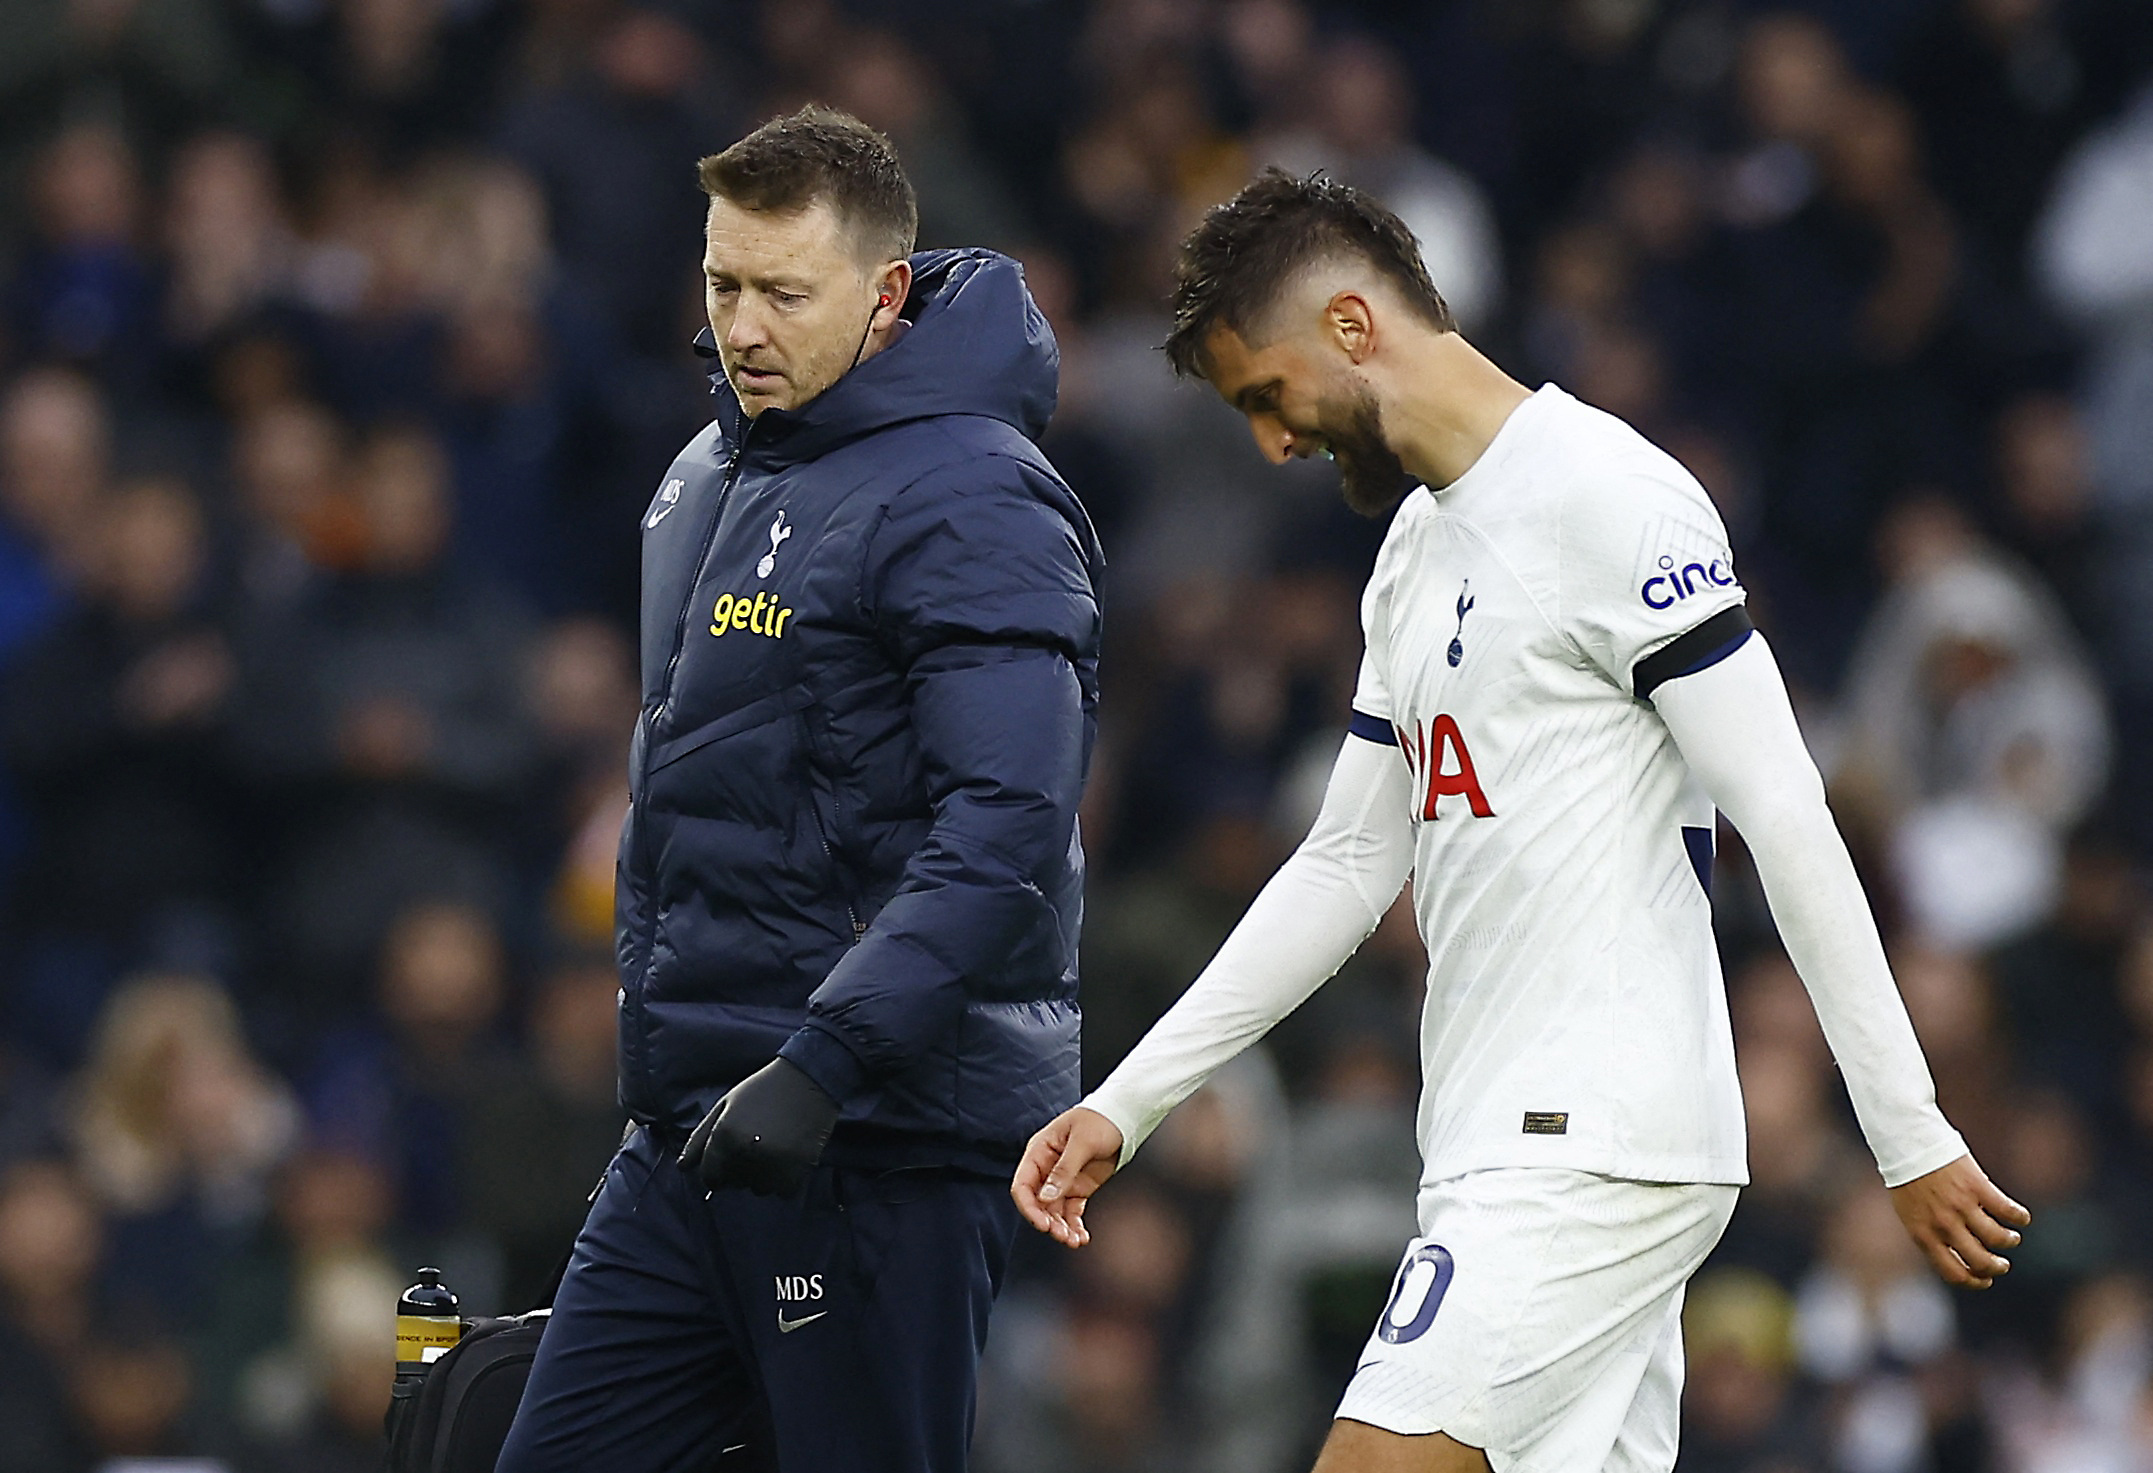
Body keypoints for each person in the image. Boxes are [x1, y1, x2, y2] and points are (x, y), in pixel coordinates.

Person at [1012, 170, 2025, 1473]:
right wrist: (1129, 1100)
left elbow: (1782, 808)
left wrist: (1907, 1129)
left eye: (1267, 396)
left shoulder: (1611, 495)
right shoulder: (1412, 556)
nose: (1274, 443)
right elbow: (1344, 862)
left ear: (1351, 326)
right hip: (1491, 1135)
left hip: (1587, 1138)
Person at [498, 106, 1102, 1473]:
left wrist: (821, 1067)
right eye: (722, 285)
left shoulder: (976, 499)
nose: (744, 327)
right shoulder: (708, 472)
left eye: (785, 291)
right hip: (694, 1134)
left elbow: (1003, 829)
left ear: (886, 294)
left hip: (875, 1140)